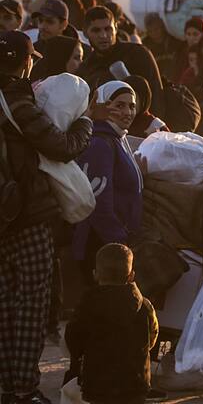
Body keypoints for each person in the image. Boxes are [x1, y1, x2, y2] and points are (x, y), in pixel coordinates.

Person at [0, 30, 92, 404]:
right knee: (31, 304)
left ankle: (8, 387)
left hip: (3, 218)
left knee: (5, 303)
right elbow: (62, 146)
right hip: (27, 215)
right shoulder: (19, 103)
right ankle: (24, 388)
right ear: (24, 62)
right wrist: (85, 121)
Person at [63, 243, 159, 404]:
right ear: (131, 275)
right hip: (135, 384)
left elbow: (73, 339)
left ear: (95, 274)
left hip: (98, 385)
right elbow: (152, 338)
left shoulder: (87, 304)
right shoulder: (144, 305)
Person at [73, 81, 144, 281]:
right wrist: (121, 242)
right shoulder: (100, 143)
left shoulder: (117, 139)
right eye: (119, 105)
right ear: (103, 106)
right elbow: (99, 204)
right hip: (101, 246)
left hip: (111, 244)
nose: (128, 112)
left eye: (131, 106)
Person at [78, 6, 165, 119]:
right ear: (85, 32)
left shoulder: (137, 54)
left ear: (116, 28)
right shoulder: (86, 67)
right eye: (96, 30)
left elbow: (156, 96)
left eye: (108, 29)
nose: (103, 35)